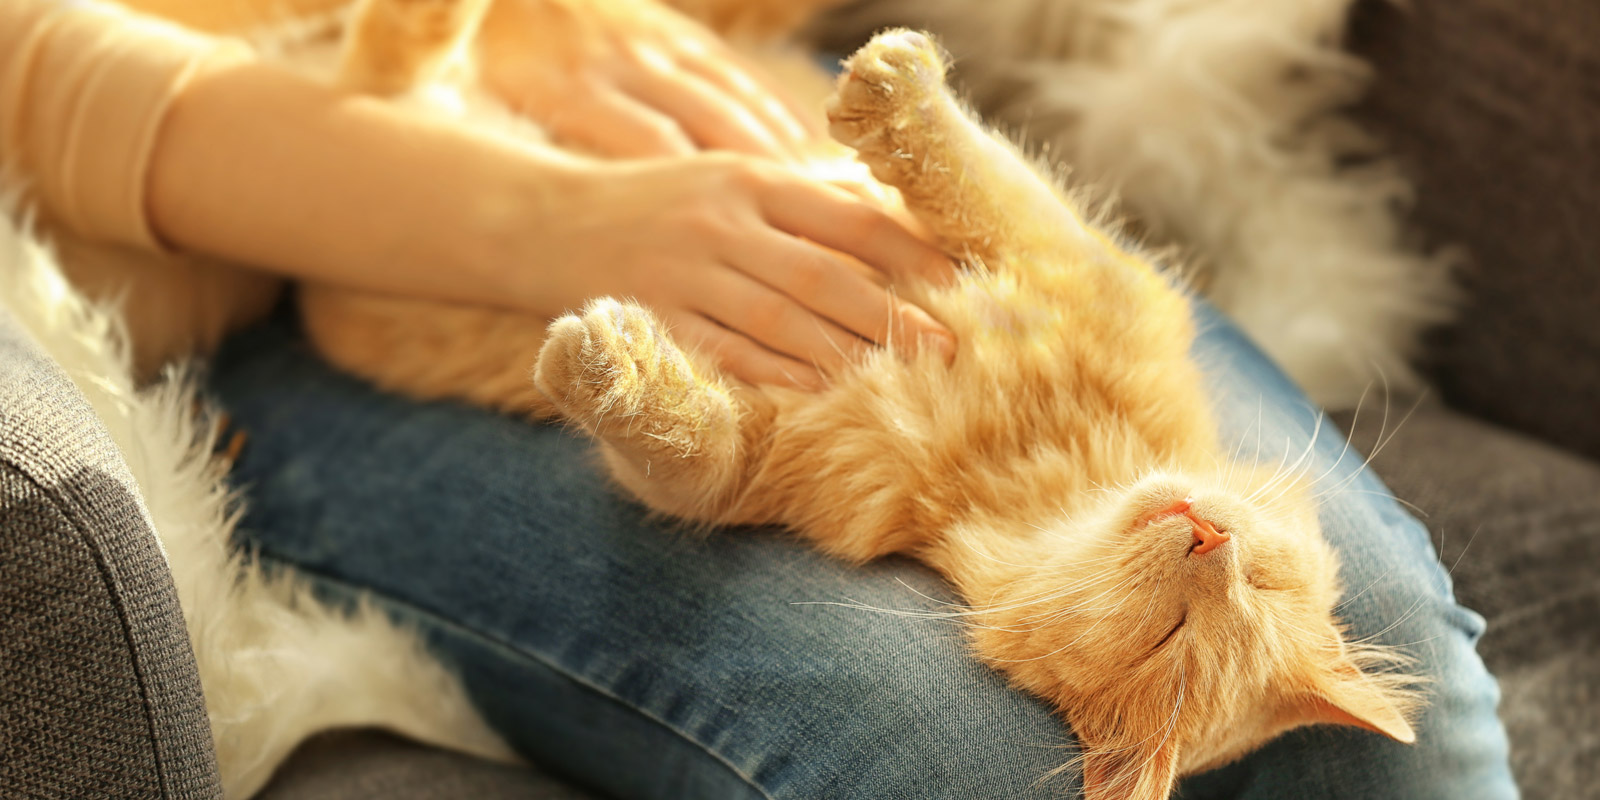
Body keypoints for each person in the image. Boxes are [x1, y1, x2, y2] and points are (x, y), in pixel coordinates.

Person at [0, 1, 1517, 797]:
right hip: (305, 256)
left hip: (768, 122)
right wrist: (539, 218)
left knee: (1402, 706)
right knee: (958, 769)